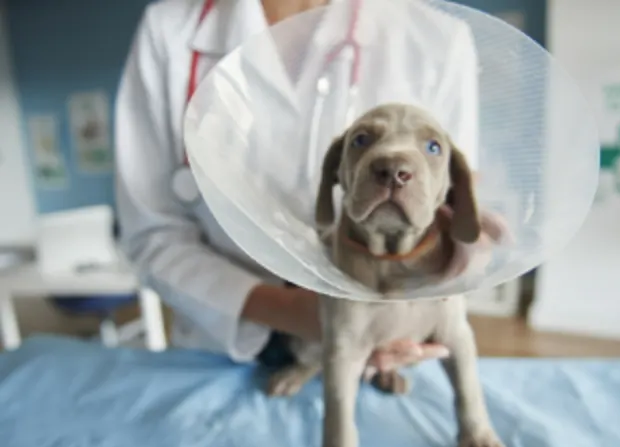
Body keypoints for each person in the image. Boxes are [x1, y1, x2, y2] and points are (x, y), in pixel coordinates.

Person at [114, 0, 463, 369]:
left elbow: (454, 212)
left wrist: (465, 256)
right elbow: (152, 235)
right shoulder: (169, 30)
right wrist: (296, 313)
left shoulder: (437, 40)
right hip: (222, 349)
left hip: (378, 350)